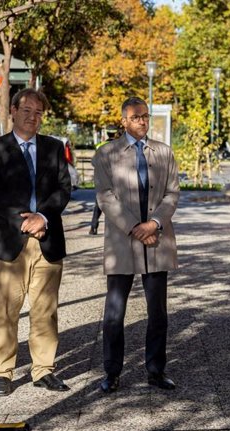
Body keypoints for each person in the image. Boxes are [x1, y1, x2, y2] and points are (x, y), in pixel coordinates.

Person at [0, 88, 72, 396]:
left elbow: (63, 189)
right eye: (27, 111)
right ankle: (3, 372)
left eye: (38, 113)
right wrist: (25, 221)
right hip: (10, 241)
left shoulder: (53, 148)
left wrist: (43, 218)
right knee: (7, 309)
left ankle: (44, 369)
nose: (33, 118)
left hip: (47, 238)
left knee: (45, 309)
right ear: (13, 112)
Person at [94, 96, 180, 393]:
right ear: (124, 121)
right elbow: (105, 197)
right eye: (135, 117)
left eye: (145, 116)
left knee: (157, 312)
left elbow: (172, 194)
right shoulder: (106, 154)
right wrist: (135, 227)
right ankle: (112, 371)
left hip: (157, 241)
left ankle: (156, 370)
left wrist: (153, 224)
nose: (142, 121)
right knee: (115, 312)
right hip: (122, 243)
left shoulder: (164, 153)